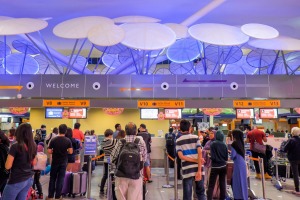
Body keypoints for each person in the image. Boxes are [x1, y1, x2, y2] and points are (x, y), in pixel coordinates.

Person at [111, 122, 147, 200]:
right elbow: (144, 158)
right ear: (136, 131)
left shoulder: (121, 142)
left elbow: (112, 158)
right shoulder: (140, 142)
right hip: (136, 176)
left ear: (125, 131)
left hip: (121, 175)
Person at [2, 123, 37, 200]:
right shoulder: (33, 145)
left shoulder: (15, 146)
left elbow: (8, 166)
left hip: (16, 180)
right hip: (28, 179)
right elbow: (34, 163)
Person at [176, 120, 205, 200]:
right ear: (190, 128)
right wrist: (198, 169)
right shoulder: (196, 138)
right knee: (201, 194)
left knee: (187, 196)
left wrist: (195, 160)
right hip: (199, 168)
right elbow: (200, 153)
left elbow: (181, 156)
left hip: (187, 171)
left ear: (180, 129)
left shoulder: (178, 141)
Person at [47, 124, 73, 200]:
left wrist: (54, 151)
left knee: (52, 178)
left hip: (55, 161)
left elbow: (49, 151)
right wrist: (65, 151)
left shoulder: (53, 139)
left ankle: (50, 196)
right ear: (65, 131)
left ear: (58, 130)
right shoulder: (68, 140)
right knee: (60, 178)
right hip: (63, 162)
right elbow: (71, 152)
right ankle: (58, 196)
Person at [206, 130, 228, 200]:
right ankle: (222, 198)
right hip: (223, 166)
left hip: (215, 166)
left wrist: (209, 156)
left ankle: (209, 198)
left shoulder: (213, 144)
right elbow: (226, 158)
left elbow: (213, 157)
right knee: (222, 183)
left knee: (211, 184)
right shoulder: (224, 144)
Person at [99, 129, 118, 195]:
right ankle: (111, 189)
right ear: (110, 135)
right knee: (112, 174)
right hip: (112, 159)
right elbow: (114, 147)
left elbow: (103, 149)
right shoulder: (113, 141)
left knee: (105, 175)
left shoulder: (103, 141)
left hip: (106, 159)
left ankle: (101, 189)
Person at [231, 129, 248, 200]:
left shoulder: (234, 144)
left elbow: (233, 156)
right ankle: (244, 196)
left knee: (237, 181)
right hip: (243, 164)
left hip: (237, 164)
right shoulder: (241, 143)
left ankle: (238, 197)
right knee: (243, 181)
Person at [283, 127, 300, 195]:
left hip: (293, 159)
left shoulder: (291, 140)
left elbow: (284, 149)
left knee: (295, 174)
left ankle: (297, 189)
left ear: (292, 132)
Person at [0, 131, 10, 196]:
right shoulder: (6, 147)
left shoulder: (1, 148)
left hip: (1, 172)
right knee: (3, 190)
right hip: (5, 173)